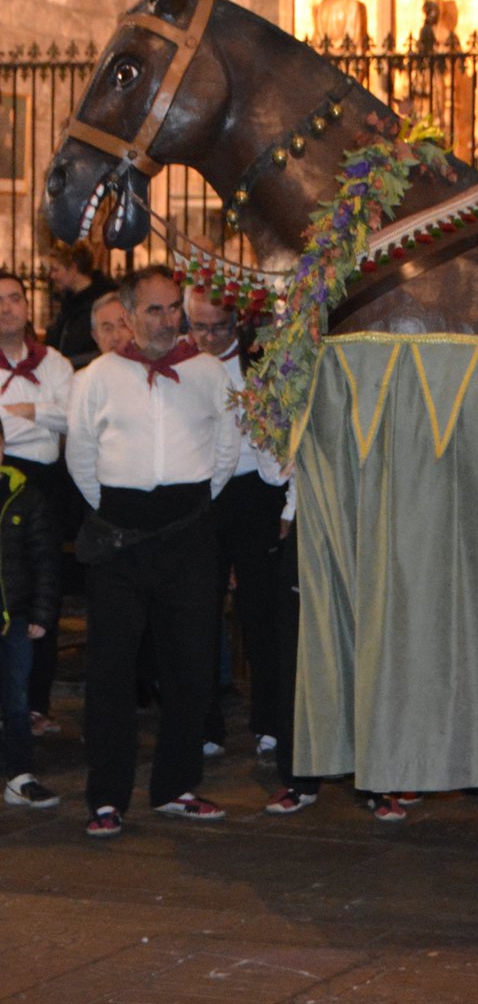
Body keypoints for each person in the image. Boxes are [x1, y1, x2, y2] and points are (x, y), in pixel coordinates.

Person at [66, 266, 240, 838]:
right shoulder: (96, 377)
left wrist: (187, 506)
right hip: (119, 536)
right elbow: (82, 458)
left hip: (188, 532)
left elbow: (226, 446)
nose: (168, 321)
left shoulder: (209, 373)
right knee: (112, 673)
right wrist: (121, 508)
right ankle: (107, 798)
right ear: (129, 315)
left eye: (173, 310)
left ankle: (175, 786)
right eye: (154, 311)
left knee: (190, 666)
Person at [185, 289, 287, 760]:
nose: (208, 337)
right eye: (199, 327)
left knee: (263, 613)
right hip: (200, 492)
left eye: (218, 328)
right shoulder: (179, 363)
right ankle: (203, 724)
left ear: (237, 324)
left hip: (254, 492)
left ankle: (271, 720)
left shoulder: (261, 362)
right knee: (198, 611)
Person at [0, 272, 74, 738]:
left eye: (14, 298)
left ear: (28, 306)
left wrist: (21, 414)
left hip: (47, 485)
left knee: (45, 594)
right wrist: (42, 415)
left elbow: (73, 417)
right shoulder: (50, 376)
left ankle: (37, 703)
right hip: (2, 482)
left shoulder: (56, 362)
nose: (6, 307)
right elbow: (54, 420)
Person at [0, 417, 62, 811]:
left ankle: (19, 775)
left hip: (16, 618)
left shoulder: (25, 496)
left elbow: (45, 560)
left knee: (17, 698)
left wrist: (42, 611)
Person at [45, 244, 114, 368]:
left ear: (73, 268)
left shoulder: (102, 302)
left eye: (56, 270)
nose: (52, 276)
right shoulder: (69, 301)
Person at [89, 291, 132, 356]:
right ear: (96, 337)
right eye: (108, 329)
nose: (116, 337)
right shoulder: (95, 366)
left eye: (123, 325)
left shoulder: (149, 365)